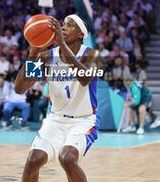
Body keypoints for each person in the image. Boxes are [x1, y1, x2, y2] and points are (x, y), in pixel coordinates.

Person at [14, 14, 101, 182]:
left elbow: (84, 78)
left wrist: (61, 43)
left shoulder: (92, 55)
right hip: (55, 121)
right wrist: (34, 52)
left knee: (67, 158)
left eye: (70, 25)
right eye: (63, 24)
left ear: (81, 34)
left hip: (83, 121)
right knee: (33, 160)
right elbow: (20, 88)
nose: (63, 27)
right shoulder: (46, 58)